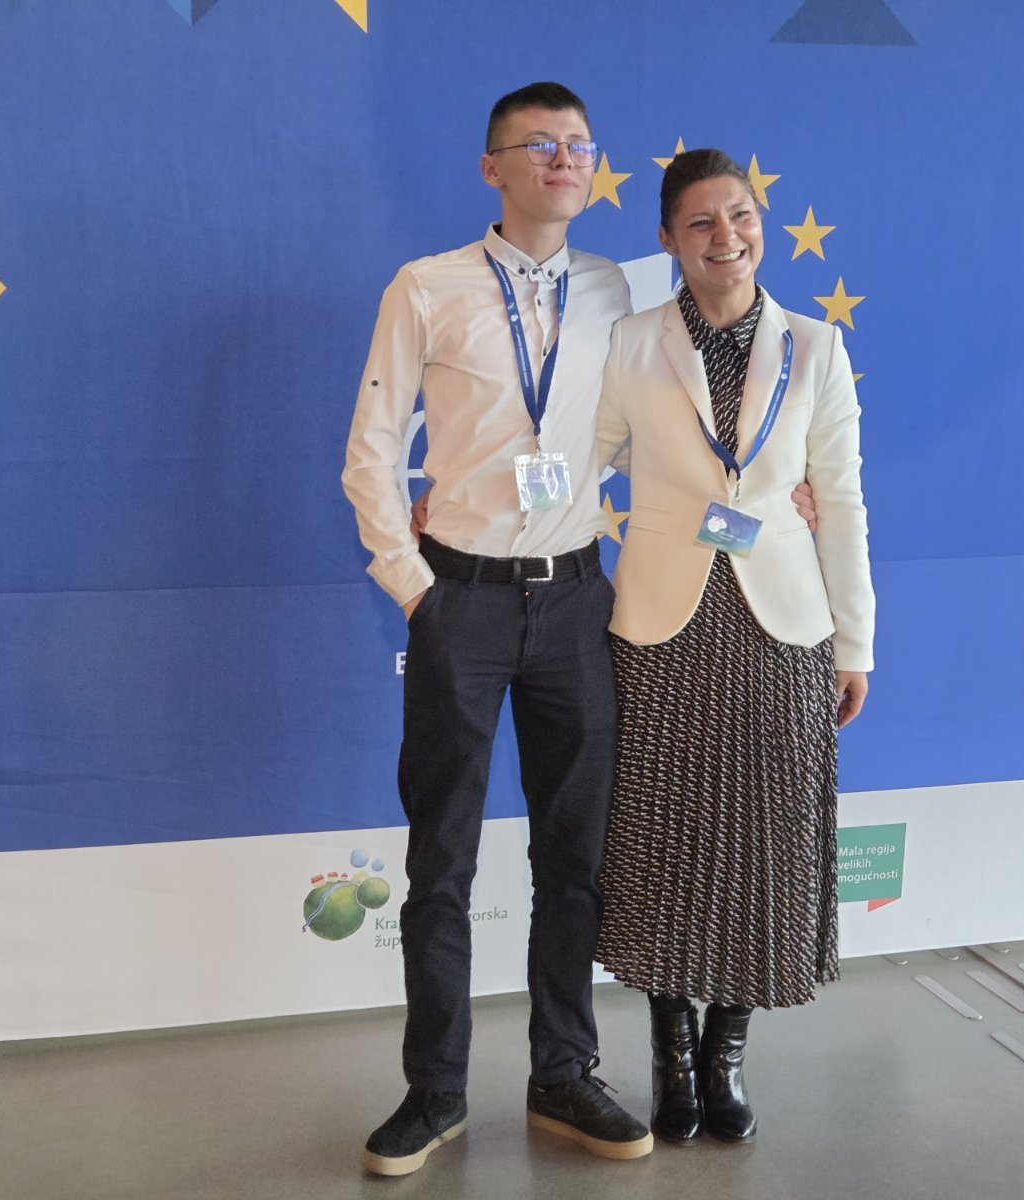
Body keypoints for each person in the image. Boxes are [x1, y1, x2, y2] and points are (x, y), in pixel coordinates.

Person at [341, 81, 652, 1176]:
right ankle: (435, 1090)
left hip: (576, 602)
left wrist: (765, 492)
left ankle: (564, 1072)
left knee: (576, 854)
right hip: (459, 602)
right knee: (442, 860)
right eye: (541, 145)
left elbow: (651, 432)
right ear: (492, 168)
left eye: (580, 145)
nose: (565, 161)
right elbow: (372, 446)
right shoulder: (427, 286)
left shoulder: (617, 289)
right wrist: (414, 586)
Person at [591, 148, 875, 1146]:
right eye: (703, 222)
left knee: (765, 839)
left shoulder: (816, 347)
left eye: (741, 216)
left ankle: (727, 1055)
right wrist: (472, 504)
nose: (728, 237)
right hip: (660, 625)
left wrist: (855, 642)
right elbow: (575, 466)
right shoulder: (630, 343)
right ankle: (670, 1052)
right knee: (660, 839)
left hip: (783, 625)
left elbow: (841, 498)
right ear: (668, 238)